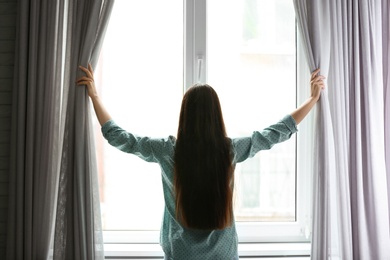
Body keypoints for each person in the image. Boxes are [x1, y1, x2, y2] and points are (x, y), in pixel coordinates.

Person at [77, 64, 325, 260]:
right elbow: (274, 133)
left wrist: (94, 96)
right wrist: (312, 100)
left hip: (178, 254)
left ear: (184, 115)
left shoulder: (168, 151)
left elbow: (120, 137)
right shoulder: (228, 151)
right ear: (216, 116)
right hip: (224, 256)